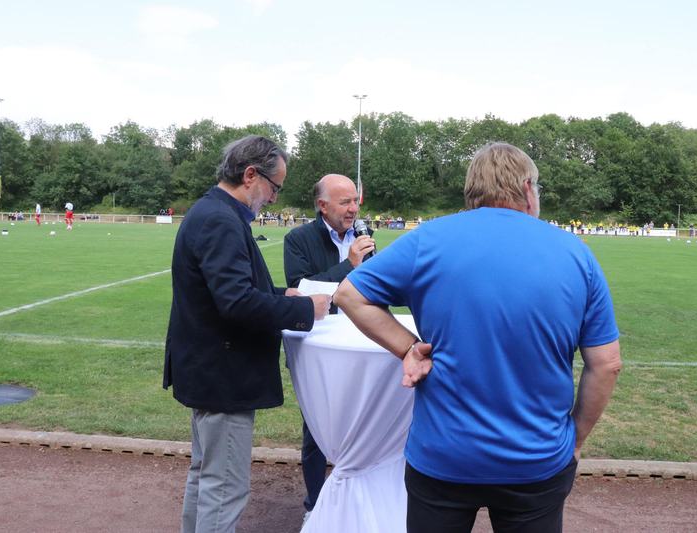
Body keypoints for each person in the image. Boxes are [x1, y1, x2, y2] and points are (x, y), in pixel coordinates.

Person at [334, 142, 621, 533]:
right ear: (527, 189)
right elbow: (606, 364)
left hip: (444, 455)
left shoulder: (428, 240)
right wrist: (576, 439)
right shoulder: (575, 253)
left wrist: (408, 348)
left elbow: (349, 294)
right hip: (536, 458)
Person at [163, 135, 332, 533]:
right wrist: (305, 309)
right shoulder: (221, 220)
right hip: (223, 375)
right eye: (275, 187)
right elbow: (237, 303)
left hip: (210, 371)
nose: (273, 198)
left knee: (206, 476)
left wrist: (281, 294)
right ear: (251, 175)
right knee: (225, 487)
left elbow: (232, 290)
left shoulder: (212, 212)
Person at [283, 174, 376, 519]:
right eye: (345, 202)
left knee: (365, 423)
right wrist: (348, 265)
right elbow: (300, 291)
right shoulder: (298, 239)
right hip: (317, 347)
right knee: (316, 429)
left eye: (355, 201)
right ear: (322, 206)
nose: (353, 209)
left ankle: (359, 503)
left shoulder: (364, 235)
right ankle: (315, 506)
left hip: (360, 342)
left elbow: (374, 287)